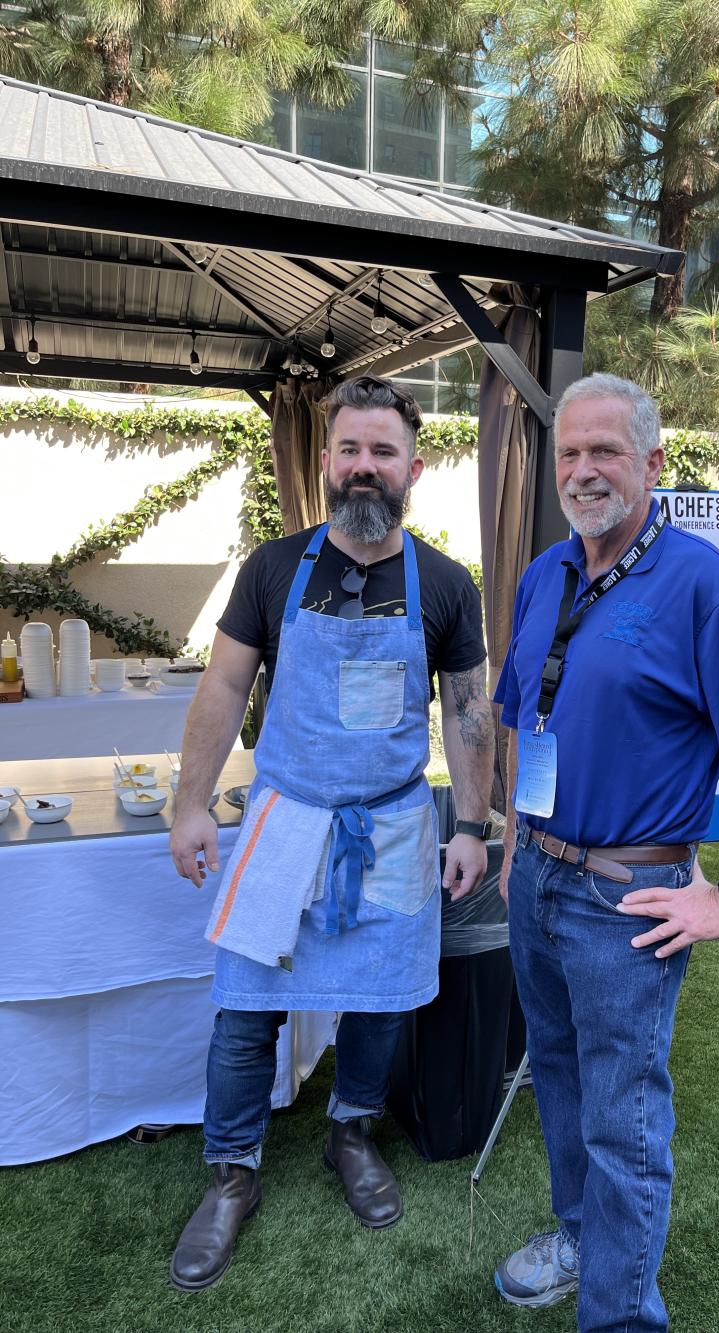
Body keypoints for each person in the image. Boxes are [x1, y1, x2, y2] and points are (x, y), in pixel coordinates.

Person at [491, 373, 719, 1332]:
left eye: (606, 452)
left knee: (623, 1120)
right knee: (555, 1071)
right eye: (570, 454)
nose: (584, 471)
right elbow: (521, 716)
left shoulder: (700, 582)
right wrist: (519, 842)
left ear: (653, 464)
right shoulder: (546, 572)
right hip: (539, 878)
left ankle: (622, 1315)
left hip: (630, 896)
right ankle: (582, 1237)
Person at [167, 375, 495, 1292]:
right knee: (247, 1010)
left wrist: (471, 822)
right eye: (349, 449)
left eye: (382, 451)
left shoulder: (444, 583)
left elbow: (469, 708)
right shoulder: (272, 569)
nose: (364, 467)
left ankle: (349, 1132)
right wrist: (192, 803)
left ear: (413, 468)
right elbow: (224, 689)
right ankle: (232, 1172)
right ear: (325, 461)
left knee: (381, 1000)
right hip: (284, 822)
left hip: (392, 825)